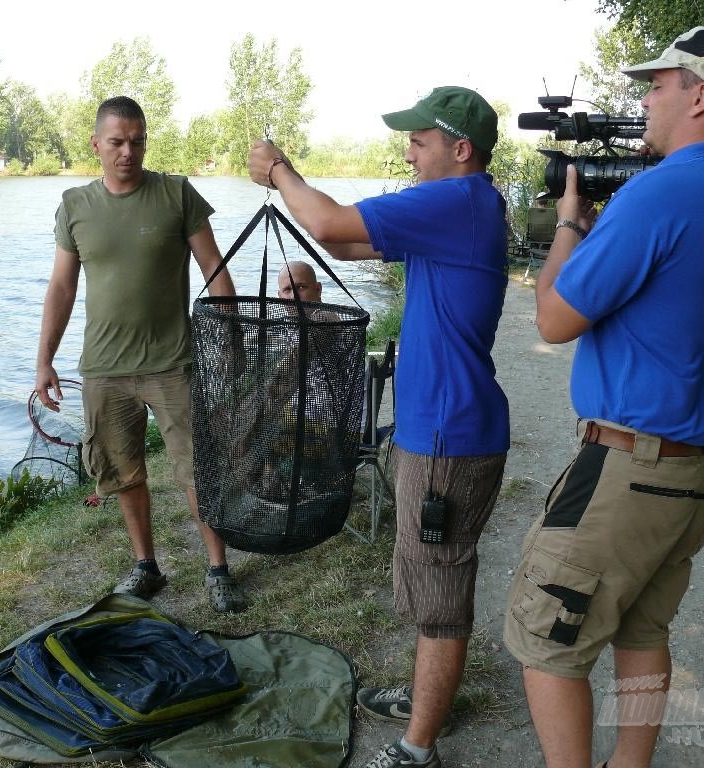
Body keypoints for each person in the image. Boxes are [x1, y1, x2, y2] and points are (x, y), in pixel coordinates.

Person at [501, 27, 704, 768]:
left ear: (700, 93)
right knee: (641, 631)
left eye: (657, 84)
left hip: (623, 472)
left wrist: (570, 221)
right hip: (688, 472)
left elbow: (553, 318)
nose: (643, 98)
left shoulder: (661, 192)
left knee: (548, 641)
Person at [249, 86, 510, 768]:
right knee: (427, 579)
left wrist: (279, 171)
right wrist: (310, 279)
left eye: (420, 140)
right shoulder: (459, 211)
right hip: (437, 430)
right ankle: (424, 700)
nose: (408, 150)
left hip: (450, 439)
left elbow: (332, 222)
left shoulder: (459, 200)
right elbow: (356, 244)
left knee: (444, 591)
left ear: (461, 150)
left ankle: (418, 747)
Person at [34, 95, 248, 613]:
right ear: (97, 145)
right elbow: (62, 288)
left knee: (199, 470)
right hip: (105, 370)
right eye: (117, 142)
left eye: (137, 141)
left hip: (174, 363)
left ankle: (218, 568)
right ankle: (146, 566)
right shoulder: (75, 205)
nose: (128, 152)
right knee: (123, 473)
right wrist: (45, 360)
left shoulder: (177, 195)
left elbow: (214, 268)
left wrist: (234, 342)